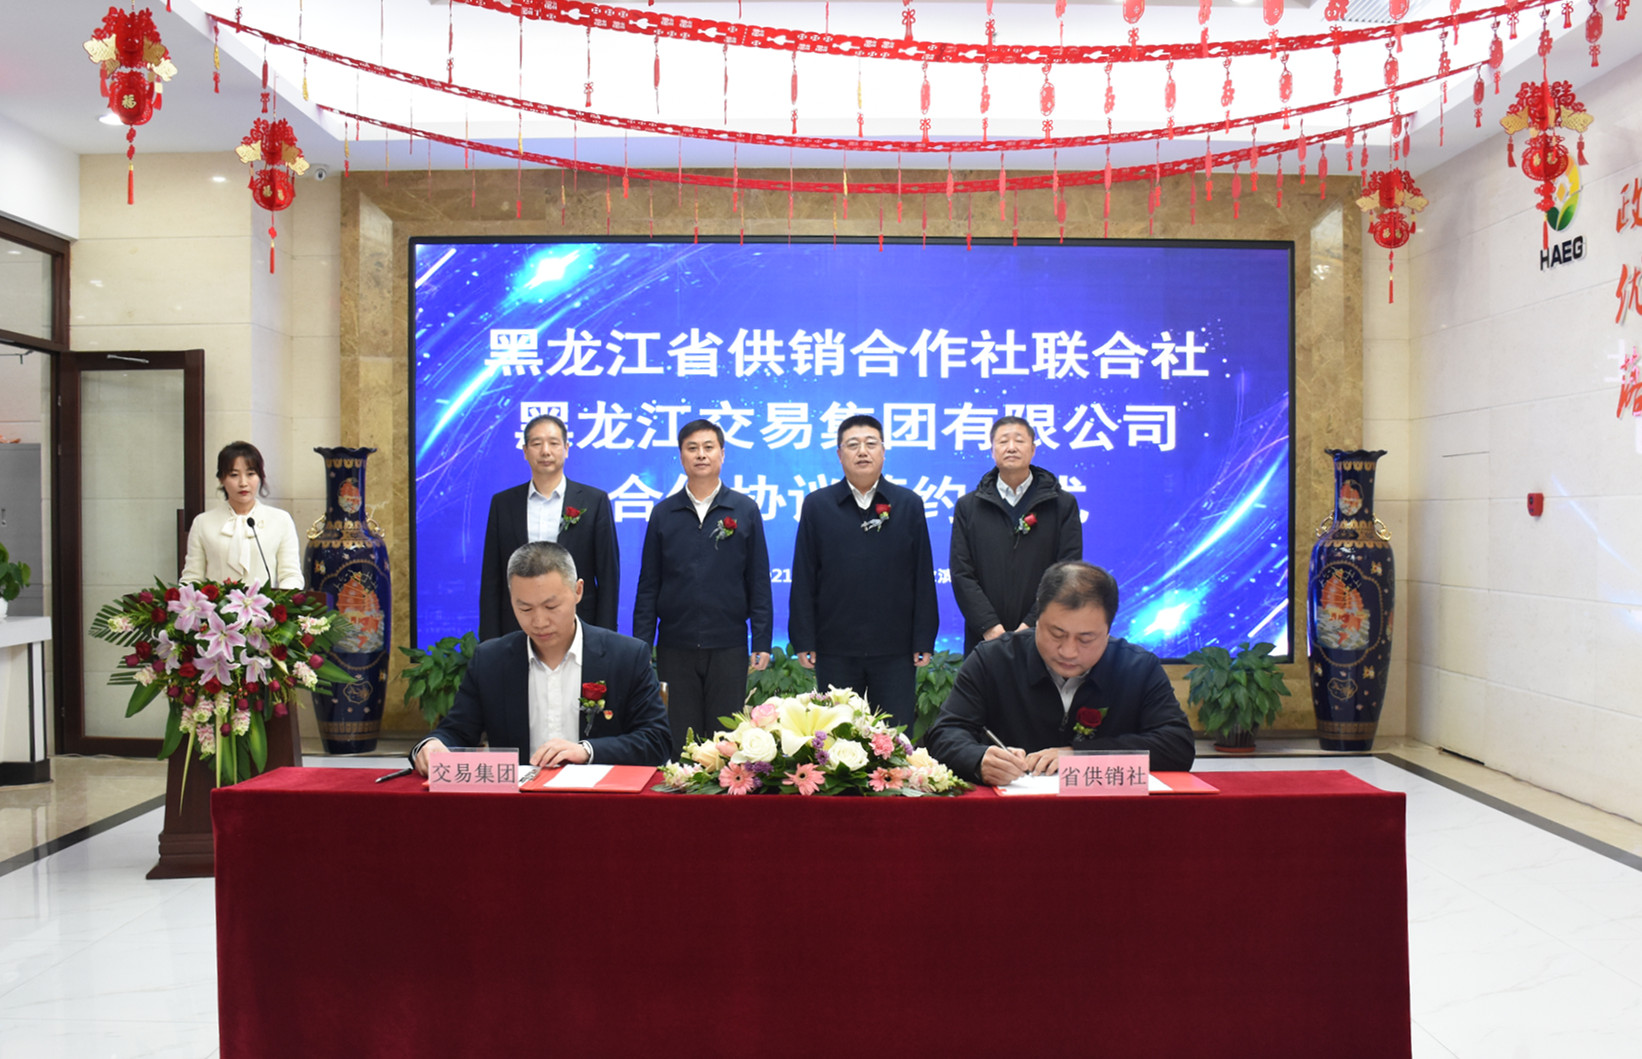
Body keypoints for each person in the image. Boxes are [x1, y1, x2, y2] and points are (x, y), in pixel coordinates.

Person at [926, 561, 1194, 785]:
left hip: (1108, 816)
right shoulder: (993, 660)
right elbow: (944, 733)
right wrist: (978, 759)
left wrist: (1082, 756)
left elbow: (1177, 745)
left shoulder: (1137, 667)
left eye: (1086, 639)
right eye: (1056, 633)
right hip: (1012, 815)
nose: (1068, 651)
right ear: (1037, 618)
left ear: (1108, 630)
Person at [413, 541, 669, 774]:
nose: (539, 621)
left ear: (578, 591)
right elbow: (456, 732)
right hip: (520, 802)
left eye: (551, 606)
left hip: (601, 801)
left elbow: (657, 741)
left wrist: (587, 751)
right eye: (524, 608)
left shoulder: (626, 656)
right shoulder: (490, 661)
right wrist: (433, 745)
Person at [632, 419, 774, 755]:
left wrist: (762, 640)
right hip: (675, 645)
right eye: (692, 448)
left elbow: (758, 580)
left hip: (728, 644)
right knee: (680, 738)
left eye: (708, 447)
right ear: (681, 456)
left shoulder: (744, 509)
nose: (701, 455)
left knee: (725, 742)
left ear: (722, 454)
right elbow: (649, 584)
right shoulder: (664, 513)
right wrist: (641, 645)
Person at [789, 414, 938, 730]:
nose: (862, 452)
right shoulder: (817, 505)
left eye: (871, 444)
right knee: (837, 735)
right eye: (852, 445)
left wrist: (924, 637)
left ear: (883, 451)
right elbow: (804, 576)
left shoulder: (908, 503)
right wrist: (803, 637)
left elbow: (923, 575)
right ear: (839, 454)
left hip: (895, 648)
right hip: (835, 646)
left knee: (895, 736)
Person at [478, 413, 619, 639]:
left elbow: (608, 577)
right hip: (517, 626)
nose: (545, 451)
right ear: (525, 451)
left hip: (579, 624)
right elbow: (491, 579)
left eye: (553, 443)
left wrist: (605, 638)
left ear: (566, 449)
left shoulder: (594, 501)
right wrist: (490, 641)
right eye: (537, 444)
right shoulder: (503, 504)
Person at [949, 416, 1083, 653]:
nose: (1011, 447)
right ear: (992, 450)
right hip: (984, 639)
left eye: (1019, 441)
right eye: (1003, 441)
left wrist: (1032, 624)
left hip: (1046, 636)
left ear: (1033, 449)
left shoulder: (1062, 504)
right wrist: (990, 627)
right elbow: (962, 572)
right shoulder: (969, 506)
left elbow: (1067, 572)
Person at [181, 441, 303, 588]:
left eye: (250, 474)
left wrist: (279, 600)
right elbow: (192, 577)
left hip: (265, 602)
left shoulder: (280, 520)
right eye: (234, 475)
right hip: (216, 603)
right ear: (221, 479)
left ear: (260, 476)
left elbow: (291, 575)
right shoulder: (203, 522)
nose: (243, 483)